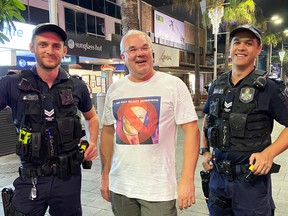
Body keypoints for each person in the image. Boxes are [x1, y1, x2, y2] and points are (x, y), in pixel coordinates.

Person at [0, 23, 99, 216]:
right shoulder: (12, 84)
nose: (49, 50)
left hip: (68, 178)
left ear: (64, 50)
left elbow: (92, 117)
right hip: (31, 178)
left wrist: (92, 142)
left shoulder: (77, 86)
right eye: (43, 44)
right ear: (32, 48)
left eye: (56, 46)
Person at [100, 29, 200, 215]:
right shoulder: (115, 89)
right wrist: (105, 175)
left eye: (144, 48)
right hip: (120, 186)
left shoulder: (173, 85)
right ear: (123, 57)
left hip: (158, 190)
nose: (140, 53)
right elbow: (107, 133)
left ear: (152, 53)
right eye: (133, 49)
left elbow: (192, 131)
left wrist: (187, 179)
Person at [200, 24, 288, 215]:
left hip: (251, 182)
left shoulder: (269, 88)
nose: (241, 47)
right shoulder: (217, 84)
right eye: (237, 42)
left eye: (249, 43)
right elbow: (208, 118)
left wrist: (269, 153)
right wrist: (205, 150)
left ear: (258, 49)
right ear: (230, 47)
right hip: (218, 179)